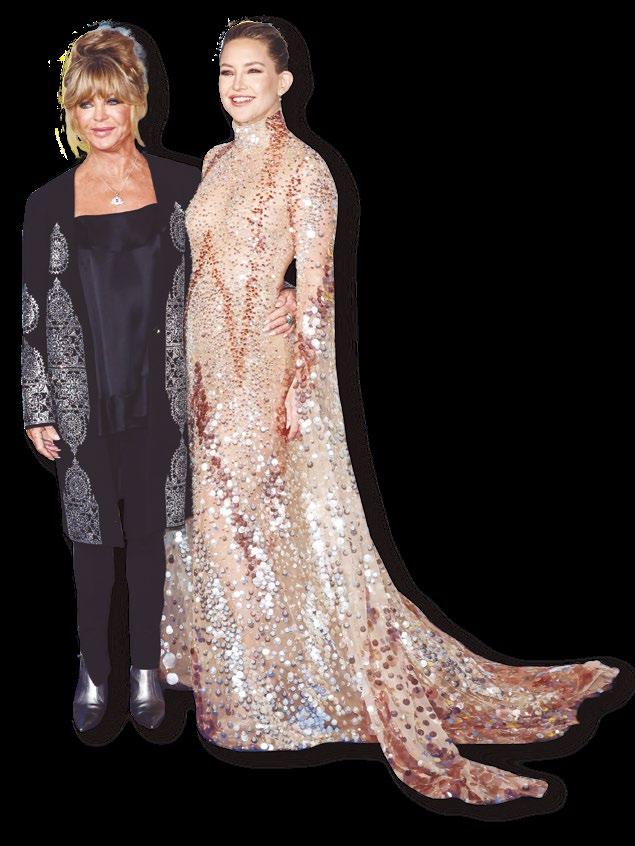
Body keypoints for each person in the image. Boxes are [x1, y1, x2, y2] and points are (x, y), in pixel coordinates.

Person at [159, 18, 624, 806]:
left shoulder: (306, 171)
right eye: (226, 72)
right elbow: (202, 265)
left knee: (251, 531)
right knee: (216, 529)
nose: (236, 86)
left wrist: (296, 374)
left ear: (282, 82)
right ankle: (240, 692)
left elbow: (319, 290)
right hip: (199, 366)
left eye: (252, 71)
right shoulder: (213, 161)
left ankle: (267, 706)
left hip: (259, 372)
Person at [19, 20, 298, 734]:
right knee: (91, 540)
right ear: (71, 112)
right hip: (83, 398)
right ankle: (93, 670)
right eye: (86, 104)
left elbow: (238, 258)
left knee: (150, 535)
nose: (100, 117)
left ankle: (145, 668)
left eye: (112, 100)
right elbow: (33, 309)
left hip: (167, 392)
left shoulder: (182, 184)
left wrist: (290, 292)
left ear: (136, 102)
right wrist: (37, 404)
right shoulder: (48, 202)